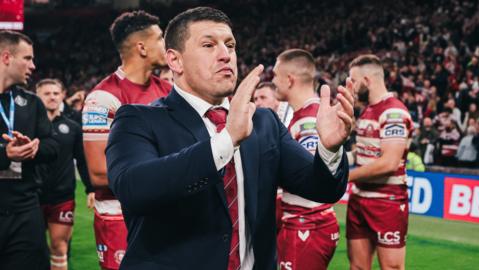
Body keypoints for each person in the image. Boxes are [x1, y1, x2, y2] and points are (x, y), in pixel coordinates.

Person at [106, 7, 353, 270]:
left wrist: (330, 149)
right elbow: (134, 189)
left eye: (230, 45)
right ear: (175, 61)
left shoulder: (264, 122)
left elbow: (323, 189)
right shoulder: (138, 119)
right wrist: (226, 141)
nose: (226, 55)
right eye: (209, 45)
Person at [82, 11, 172, 270]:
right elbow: (99, 173)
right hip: (119, 216)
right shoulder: (102, 99)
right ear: (142, 47)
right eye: (160, 38)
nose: (167, 44)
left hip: (164, 214)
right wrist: (168, 176)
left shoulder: (168, 91)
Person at [272, 49, 339, 270]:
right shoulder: (306, 114)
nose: (273, 82)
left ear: (289, 79)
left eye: (275, 76)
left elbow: (310, 175)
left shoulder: (310, 119)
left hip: (307, 223)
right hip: (304, 221)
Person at [347, 54, 413, 270]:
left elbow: (389, 163)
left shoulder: (393, 111)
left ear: (367, 81)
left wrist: (345, 176)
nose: (352, 87)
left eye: (354, 81)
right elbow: (362, 153)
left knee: (391, 267)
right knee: (357, 267)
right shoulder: (367, 110)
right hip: (359, 199)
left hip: (387, 201)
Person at [0, 30, 59, 270]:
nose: (33, 65)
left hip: (24, 210)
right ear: (6, 57)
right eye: (27, 58)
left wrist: (34, 148)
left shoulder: (32, 102)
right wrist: (5, 154)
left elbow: (53, 145)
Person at [35, 78, 94, 270]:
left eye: (55, 93)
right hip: (32, 196)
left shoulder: (73, 128)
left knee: (59, 247)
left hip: (62, 197)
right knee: (33, 249)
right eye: (46, 93)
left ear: (62, 95)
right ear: (37, 96)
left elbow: (83, 161)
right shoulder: (28, 126)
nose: (52, 97)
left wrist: (90, 189)